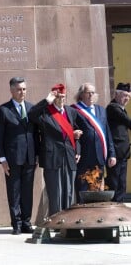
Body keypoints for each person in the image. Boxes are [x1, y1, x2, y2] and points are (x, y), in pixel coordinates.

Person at [29, 83, 82, 216]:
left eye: (63, 97)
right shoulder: (45, 112)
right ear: (53, 96)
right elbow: (31, 115)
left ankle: (68, 222)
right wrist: (47, 100)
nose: (61, 99)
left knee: (69, 191)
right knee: (55, 192)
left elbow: (75, 134)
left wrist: (78, 150)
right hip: (52, 157)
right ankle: (56, 221)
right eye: (58, 97)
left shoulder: (71, 111)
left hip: (69, 156)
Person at [0, 77, 38, 235]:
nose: (22, 92)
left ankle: (26, 222)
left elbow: (36, 134)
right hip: (12, 159)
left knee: (27, 192)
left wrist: (36, 155)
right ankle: (17, 224)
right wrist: (2, 159)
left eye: (24, 89)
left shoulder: (31, 108)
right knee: (14, 192)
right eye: (19, 89)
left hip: (30, 158)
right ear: (12, 90)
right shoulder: (3, 110)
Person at [72, 82, 116, 201]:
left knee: (98, 190)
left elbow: (107, 133)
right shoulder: (74, 110)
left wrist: (112, 154)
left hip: (100, 157)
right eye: (88, 93)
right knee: (83, 189)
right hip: (84, 157)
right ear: (81, 95)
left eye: (93, 92)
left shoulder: (101, 110)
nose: (91, 95)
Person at [106, 82, 131, 202]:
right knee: (114, 184)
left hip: (123, 153)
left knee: (121, 184)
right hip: (115, 153)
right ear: (116, 94)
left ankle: (119, 209)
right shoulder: (113, 108)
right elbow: (127, 122)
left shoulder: (121, 109)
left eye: (128, 96)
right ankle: (113, 210)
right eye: (124, 95)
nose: (126, 98)